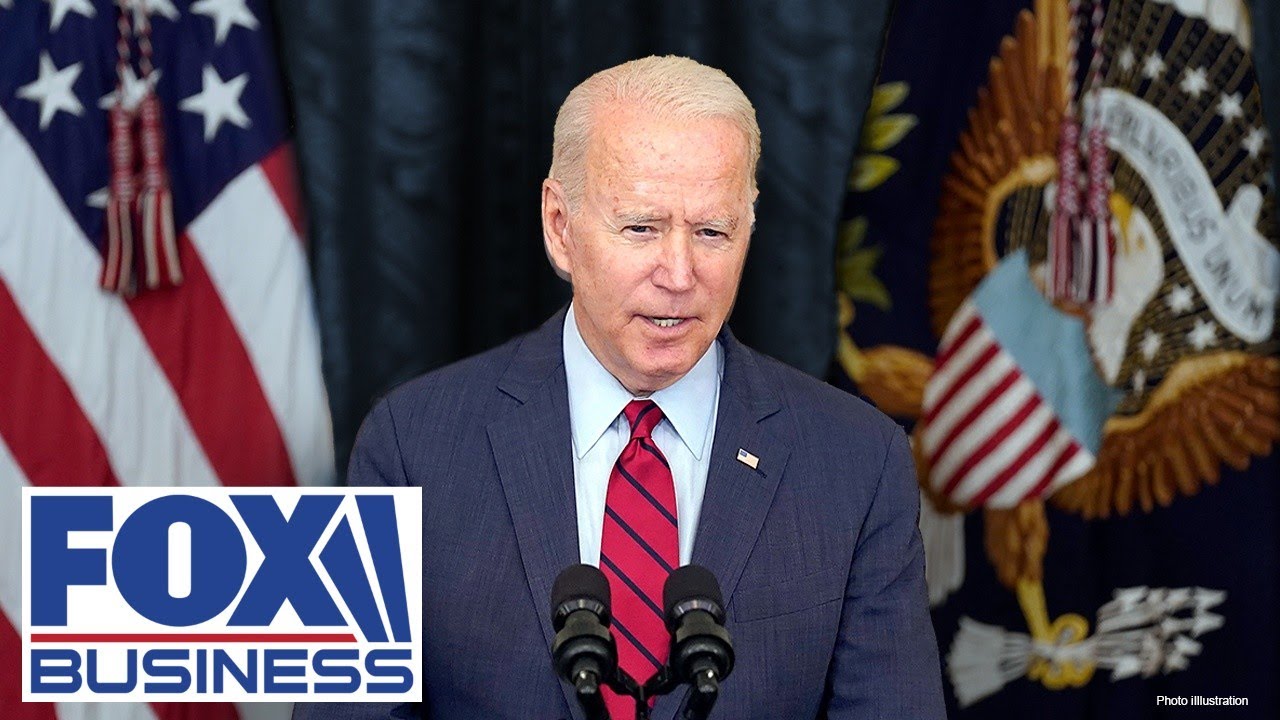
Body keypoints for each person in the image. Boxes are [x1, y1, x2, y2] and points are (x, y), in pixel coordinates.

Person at [295, 55, 944, 720]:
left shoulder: (856, 462)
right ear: (560, 228)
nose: (679, 273)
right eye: (641, 227)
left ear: (750, 229)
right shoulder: (412, 446)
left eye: (712, 232)